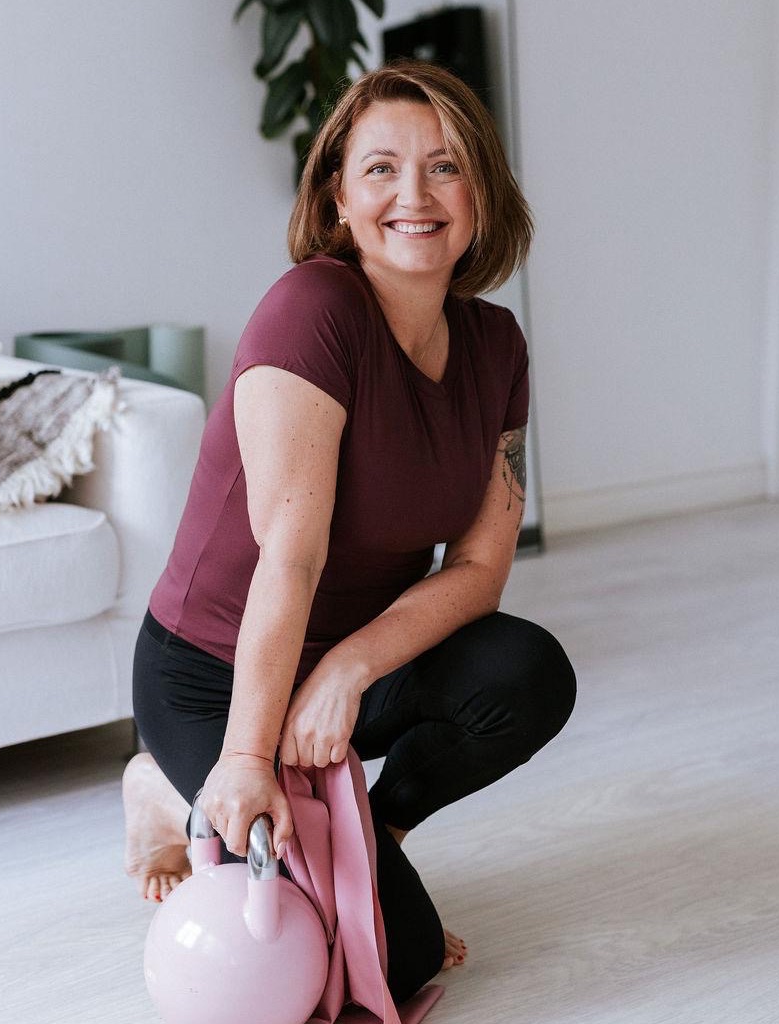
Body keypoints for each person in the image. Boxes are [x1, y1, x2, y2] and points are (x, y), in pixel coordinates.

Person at [123, 59, 576, 1002]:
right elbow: (290, 561)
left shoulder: (497, 345)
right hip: (217, 675)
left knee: (527, 672)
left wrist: (349, 668)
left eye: (446, 167)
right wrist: (246, 759)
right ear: (338, 197)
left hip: (346, 668)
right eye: (381, 169)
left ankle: (374, 833)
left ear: (483, 191)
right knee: (392, 963)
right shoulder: (313, 312)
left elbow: (481, 568)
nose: (415, 195)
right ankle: (166, 784)